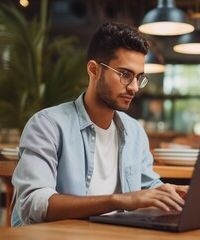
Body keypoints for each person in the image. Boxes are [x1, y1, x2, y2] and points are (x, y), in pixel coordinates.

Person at [11, 22, 188, 226]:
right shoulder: (47, 125)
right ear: (94, 70)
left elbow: (146, 187)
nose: (133, 87)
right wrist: (118, 200)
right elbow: (33, 204)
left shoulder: (134, 132)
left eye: (139, 78)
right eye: (125, 75)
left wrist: (173, 192)